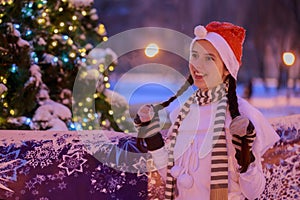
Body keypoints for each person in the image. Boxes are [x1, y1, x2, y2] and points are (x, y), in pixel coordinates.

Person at [134, 21, 280, 200]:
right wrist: (151, 133)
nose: (197, 65)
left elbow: (253, 192)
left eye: (209, 58)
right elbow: (172, 176)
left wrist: (245, 152)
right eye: (194, 56)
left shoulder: (242, 116)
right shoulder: (184, 112)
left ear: (227, 68)